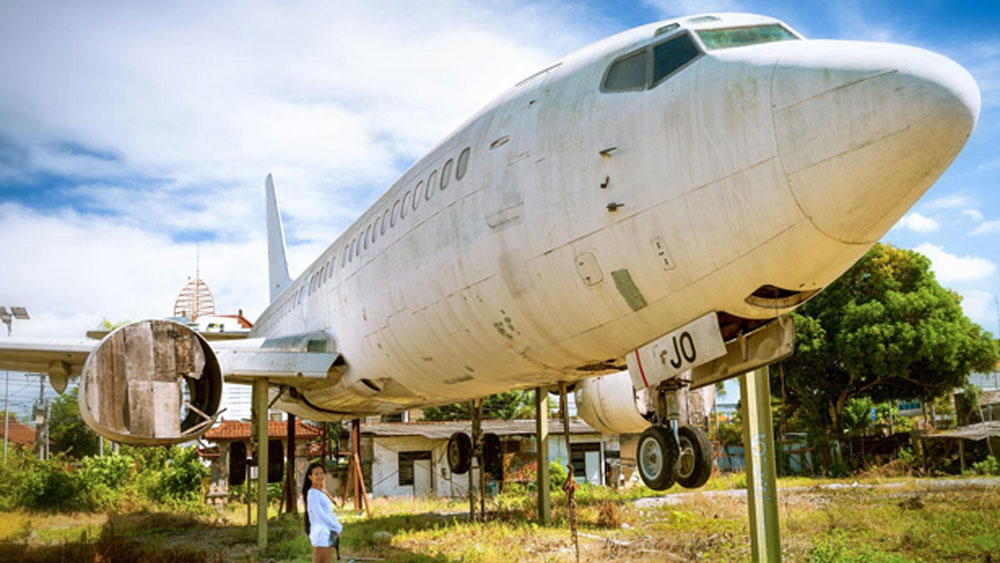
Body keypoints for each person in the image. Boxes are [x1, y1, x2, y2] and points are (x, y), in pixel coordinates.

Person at [302, 462, 343, 563]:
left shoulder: (322, 492)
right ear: (310, 477)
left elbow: (329, 513)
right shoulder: (312, 493)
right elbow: (320, 515)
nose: (320, 476)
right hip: (320, 533)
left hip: (328, 531)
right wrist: (336, 527)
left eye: (321, 473)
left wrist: (335, 527)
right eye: (316, 474)